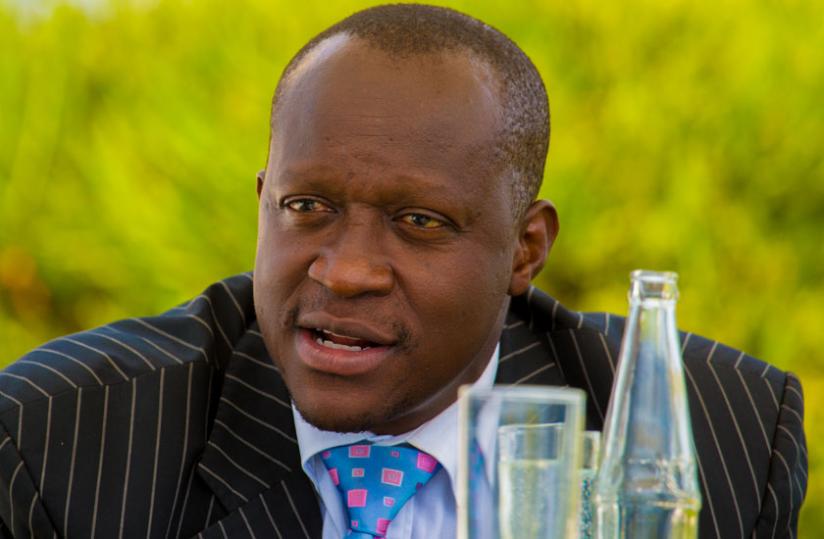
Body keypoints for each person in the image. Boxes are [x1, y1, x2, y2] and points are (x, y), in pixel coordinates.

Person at [0, 4, 806, 538]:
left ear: (525, 250)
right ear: (263, 203)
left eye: (418, 221)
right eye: (307, 206)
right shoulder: (61, 439)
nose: (346, 271)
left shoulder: (713, 432)